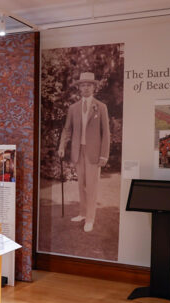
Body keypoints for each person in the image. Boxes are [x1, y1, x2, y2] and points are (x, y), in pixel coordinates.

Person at [58, 72, 110, 232]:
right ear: (79, 88)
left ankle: (90, 218)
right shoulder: (73, 108)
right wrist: (61, 146)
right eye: (83, 85)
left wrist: (104, 154)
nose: (86, 88)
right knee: (81, 185)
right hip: (77, 151)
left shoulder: (101, 107)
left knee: (91, 186)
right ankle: (82, 213)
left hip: (93, 152)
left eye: (89, 85)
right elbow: (67, 129)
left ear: (93, 87)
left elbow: (106, 132)